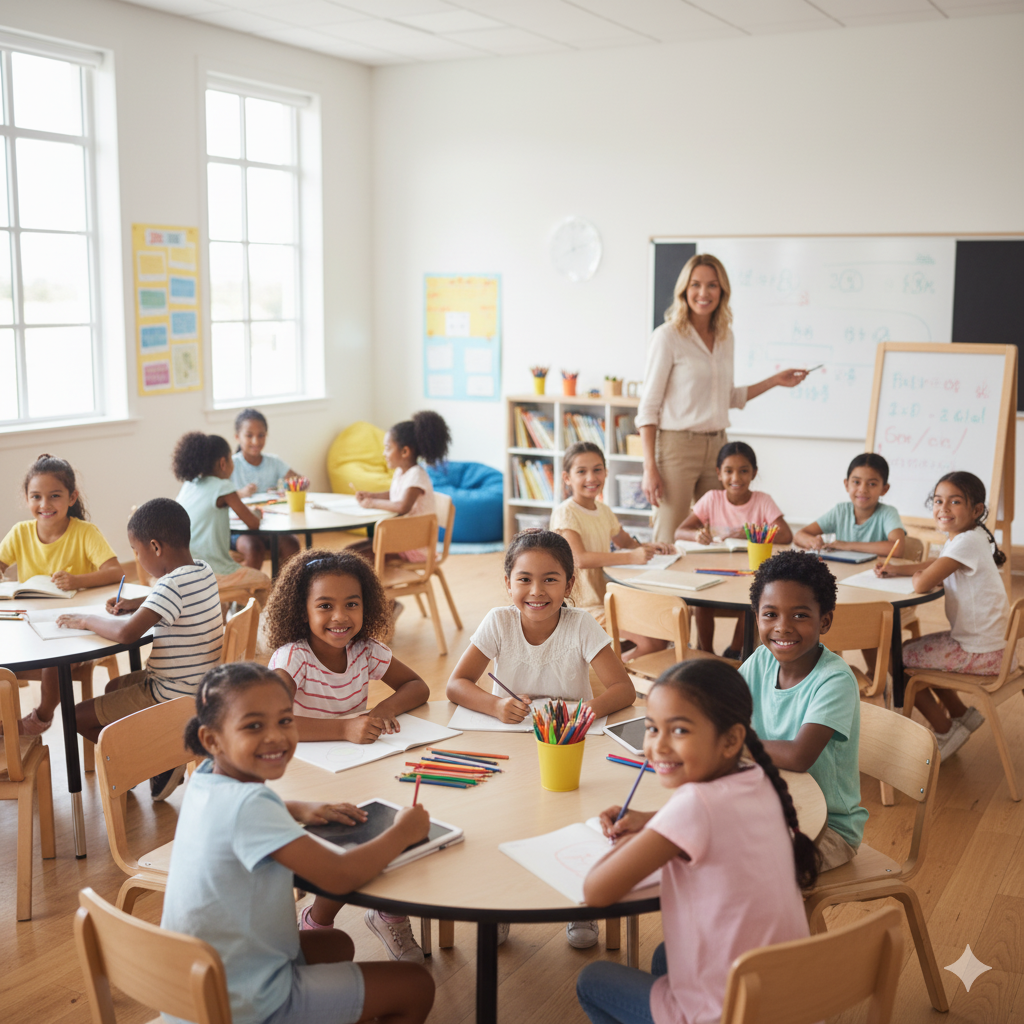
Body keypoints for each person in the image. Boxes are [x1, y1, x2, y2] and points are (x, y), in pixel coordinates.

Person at [160, 662, 435, 1024]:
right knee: (415, 985)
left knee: (338, 944)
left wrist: (300, 808)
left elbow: (236, 819)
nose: (275, 736)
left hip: (198, 983)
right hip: (244, 1003)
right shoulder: (250, 805)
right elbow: (338, 877)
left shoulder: (207, 777)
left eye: (285, 720)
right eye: (254, 726)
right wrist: (404, 832)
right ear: (212, 739)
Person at [575, 659, 815, 1024]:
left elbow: (596, 892)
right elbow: (718, 823)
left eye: (680, 731)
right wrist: (652, 823)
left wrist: (640, 834)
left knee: (592, 980)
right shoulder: (758, 778)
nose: (658, 746)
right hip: (786, 1003)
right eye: (652, 729)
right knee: (663, 957)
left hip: (731, 1014)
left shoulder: (693, 806)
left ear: (731, 739)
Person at [447, 529, 636, 949]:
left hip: (569, 742)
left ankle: (580, 906)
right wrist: (495, 706)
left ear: (570, 584)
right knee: (505, 821)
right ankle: (501, 904)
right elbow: (456, 684)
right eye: (524, 579)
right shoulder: (498, 621)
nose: (536, 591)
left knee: (575, 820)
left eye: (551, 579)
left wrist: (586, 712)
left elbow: (622, 690)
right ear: (508, 583)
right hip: (509, 745)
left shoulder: (581, 624)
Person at [265, 548, 430, 960]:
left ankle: (389, 913)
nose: (340, 617)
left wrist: (382, 709)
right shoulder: (293, 658)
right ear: (302, 611)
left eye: (351, 605)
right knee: (351, 837)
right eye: (325, 606)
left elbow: (417, 686)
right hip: (304, 776)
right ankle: (316, 921)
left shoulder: (366, 650)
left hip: (355, 766)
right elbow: (272, 722)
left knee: (395, 819)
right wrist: (343, 727)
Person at [636, 254, 808, 544]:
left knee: (715, 536)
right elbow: (648, 408)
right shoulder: (667, 337)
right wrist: (649, 466)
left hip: (718, 447)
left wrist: (775, 381)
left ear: (723, 291)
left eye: (712, 285)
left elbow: (728, 397)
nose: (704, 293)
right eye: (696, 285)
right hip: (677, 447)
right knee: (670, 536)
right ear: (684, 290)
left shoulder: (726, 337)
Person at [63, 498, 223, 801]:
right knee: (113, 686)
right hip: (199, 687)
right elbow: (169, 601)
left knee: (75, 717)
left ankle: (139, 765)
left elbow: (126, 633)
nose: (136, 557)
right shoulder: (202, 570)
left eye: (136, 551)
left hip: (169, 693)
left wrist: (87, 619)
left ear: (155, 547)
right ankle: (150, 759)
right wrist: (138, 604)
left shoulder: (170, 586)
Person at [739, 549, 867, 871]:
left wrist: (730, 744)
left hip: (828, 828)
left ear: (824, 621)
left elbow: (798, 756)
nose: (782, 627)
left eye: (799, 615)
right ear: (756, 616)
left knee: (750, 868)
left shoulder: (835, 679)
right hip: (769, 805)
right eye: (770, 614)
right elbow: (721, 714)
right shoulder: (759, 661)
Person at [876, 471, 1010, 758]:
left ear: (976, 510)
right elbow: (936, 564)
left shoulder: (966, 542)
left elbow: (923, 582)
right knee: (914, 651)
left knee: (897, 660)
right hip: (992, 645)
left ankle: (945, 730)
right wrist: (897, 569)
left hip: (980, 652)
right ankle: (962, 714)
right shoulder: (967, 537)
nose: (943, 508)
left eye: (955, 501)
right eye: (938, 500)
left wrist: (921, 575)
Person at [0, 454, 121, 734]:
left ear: (72, 497)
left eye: (55, 496)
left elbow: (114, 571)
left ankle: (41, 717)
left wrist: (77, 580)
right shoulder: (20, 532)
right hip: (29, 625)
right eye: (36, 497)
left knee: (53, 659)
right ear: (27, 499)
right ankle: (7, 727)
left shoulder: (85, 532)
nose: (44, 505)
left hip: (74, 630)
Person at [550, 441, 675, 661]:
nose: (591, 478)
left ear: (606, 473)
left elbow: (625, 541)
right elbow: (580, 559)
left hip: (608, 597)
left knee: (662, 631)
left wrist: (647, 547)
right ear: (567, 478)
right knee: (654, 641)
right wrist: (631, 556)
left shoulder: (604, 510)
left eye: (597, 470)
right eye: (581, 471)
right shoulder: (565, 513)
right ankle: (619, 675)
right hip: (580, 605)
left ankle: (626, 668)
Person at [674, 441, 792, 658]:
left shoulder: (762, 500)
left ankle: (735, 651)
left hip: (748, 573)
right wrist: (696, 535)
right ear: (719, 473)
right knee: (702, 601)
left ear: (754, 473)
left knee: (752, 600)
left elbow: (786, 534)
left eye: (744, 471)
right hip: (715, 572)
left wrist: (747, 534)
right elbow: (680, 531)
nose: (736, 478)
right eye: (729, 471)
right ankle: (706, 653)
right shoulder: (712, 498)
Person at [172, 431, 271, 605]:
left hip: (182, 567)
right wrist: (257, 513)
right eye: (232, 460)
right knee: (264, 581)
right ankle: (251, 627)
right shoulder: (223, 487)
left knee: (240, 569)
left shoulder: (190, 484)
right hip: (211, 571)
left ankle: (228, 618)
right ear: (223, 463)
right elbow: (253, 523)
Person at [352, 411, 451, 563]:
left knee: (356, 558)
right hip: (403, 540)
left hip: (414, 547)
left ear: (405, 451)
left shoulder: (417, 475)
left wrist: (372, 503)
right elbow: (394, 495)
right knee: (351, 553)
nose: (384, 454)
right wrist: (372, 495)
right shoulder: (401, 472)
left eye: (388, 448)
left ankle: (374, 585)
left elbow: (403, 505)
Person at [793, 453, 906, 557]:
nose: (862, 489)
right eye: (856, 482)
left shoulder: (888, 513)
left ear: (884, 489)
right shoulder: (840, 511)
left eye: (872, 484)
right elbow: (799, 535)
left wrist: (847, 545)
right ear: (846, 485)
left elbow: (897, 549)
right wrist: (812, 541)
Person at [230, 408, 301, 570]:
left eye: (261, 435)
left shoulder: (273, 462)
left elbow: (299, 481)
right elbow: (219, 495)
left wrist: (286, 489)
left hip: (272, 525)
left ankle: (286, 590)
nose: (256, 441)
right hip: (240, 528)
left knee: (292, 545)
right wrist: (241, 493)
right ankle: (252, 592)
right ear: (237, 437)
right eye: (249, 435)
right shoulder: (231, 464)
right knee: (254, 548)